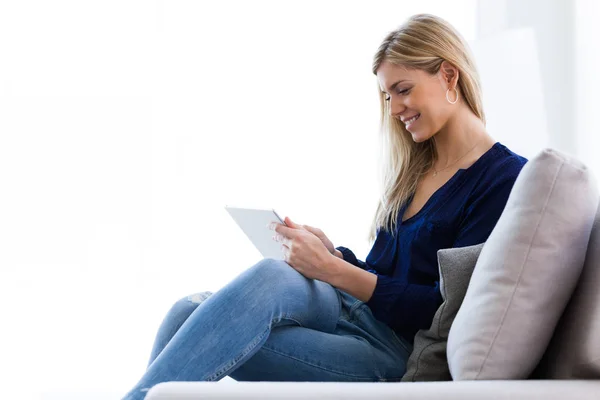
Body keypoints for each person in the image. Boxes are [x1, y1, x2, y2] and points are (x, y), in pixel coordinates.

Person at [122, 13, 528, 399]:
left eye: (403, 90)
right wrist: (332, 254)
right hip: (355, 316)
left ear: (449, 75)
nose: (394, 109)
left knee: (194, 318)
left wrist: (333, 270)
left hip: (395, 351)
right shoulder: (416, 171)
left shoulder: (504, 180)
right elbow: (381, 275)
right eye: (387, 96)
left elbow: (446, 312)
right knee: (193, 306)